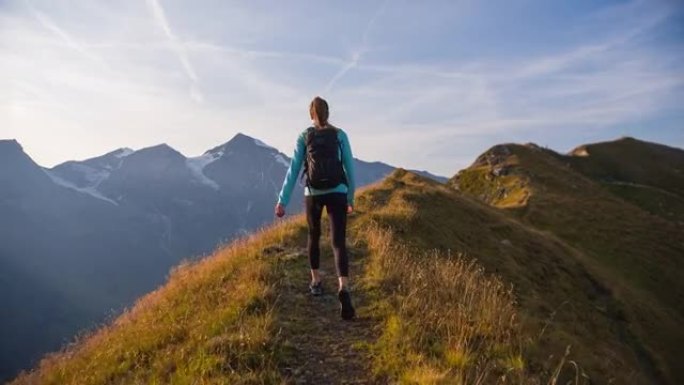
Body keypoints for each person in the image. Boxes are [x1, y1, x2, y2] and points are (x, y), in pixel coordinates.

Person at [275, 96, 356, 320]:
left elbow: (293, 170)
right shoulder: (340, 135)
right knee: (338, 241)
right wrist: (350, 198)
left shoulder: (304, 136)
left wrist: (282, 200)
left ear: (311, 115)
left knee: (314, 235)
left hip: (313, 193)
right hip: (338, 191)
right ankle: (344, 287)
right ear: (328, 113)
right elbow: (349, 167)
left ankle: (316, 281)